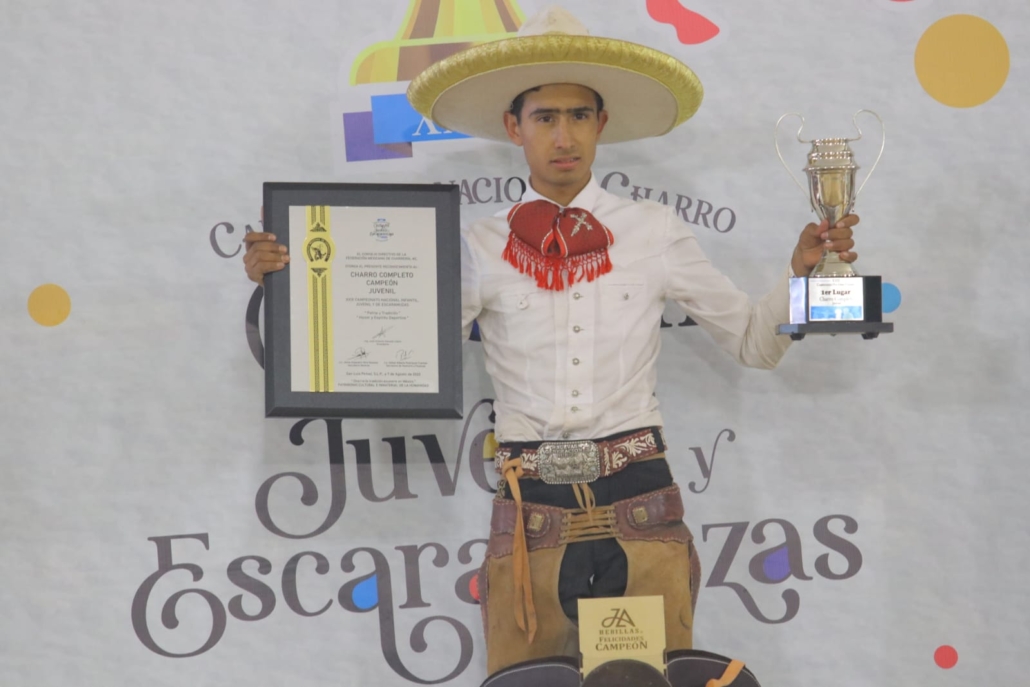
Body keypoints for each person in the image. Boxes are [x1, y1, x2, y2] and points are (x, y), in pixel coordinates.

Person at [243, 6, 859, 678]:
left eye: (577, 115)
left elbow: (752, 342)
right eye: (544, 117)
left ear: (600, 125)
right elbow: (391, 350)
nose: (563, 135)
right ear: (515, 126)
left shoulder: (653, 230)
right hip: (531, 507)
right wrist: (292, 283)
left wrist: (803, 276)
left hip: (640, 500)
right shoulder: (476, 244)